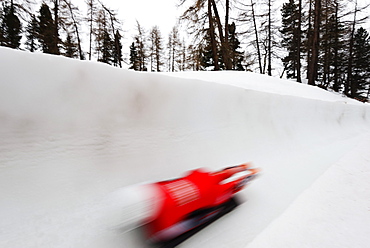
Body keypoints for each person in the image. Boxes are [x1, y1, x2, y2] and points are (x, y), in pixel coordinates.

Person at [106, 163, 259, 242]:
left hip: (210, 195)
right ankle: (241, 168)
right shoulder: (154, 187)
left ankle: (248, 176)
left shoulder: (164, 218)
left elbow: (171, 232)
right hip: (198, 178)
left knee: (229, 189)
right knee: (217, 176)